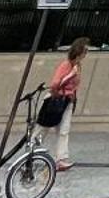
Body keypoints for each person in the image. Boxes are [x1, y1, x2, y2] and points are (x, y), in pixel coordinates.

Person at [37, 38, 87, 172]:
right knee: (44, 127)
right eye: (85, 51)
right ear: (79, 51)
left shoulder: (78, 66)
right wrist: (70, 75)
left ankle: (61, 159)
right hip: (57, 99)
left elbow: (75, 87)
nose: (86, 54)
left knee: (64, 130)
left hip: (67, 101)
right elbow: (55, 84)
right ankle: (30, 153)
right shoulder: (66, 65)